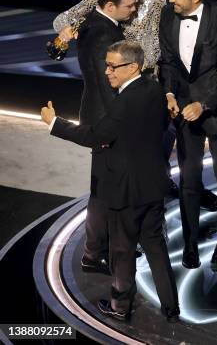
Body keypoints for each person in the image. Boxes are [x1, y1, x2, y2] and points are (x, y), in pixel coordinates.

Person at [41, 41, 179, 322]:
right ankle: (171, 308)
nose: (107, 71)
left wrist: (54, 123)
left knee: (122, 251)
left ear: (133, 67)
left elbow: (95, 136)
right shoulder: (154, 89)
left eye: (113, 66)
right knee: (156, 247)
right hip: (153, 186)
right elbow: (159, 126)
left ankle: (119, 307)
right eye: (107, 64)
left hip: (125, 191)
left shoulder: (125, 101)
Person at [158, 0, 217, 269]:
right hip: (183, 109)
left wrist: (204, 104)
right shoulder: (167, 15)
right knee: (189, 182)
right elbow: (166, 63)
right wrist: (168, 95)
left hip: (215, 110)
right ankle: (190, 244)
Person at [72, 0, 139, 275]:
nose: (134, 9)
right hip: (104, 120)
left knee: (108, 188)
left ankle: (104, 247)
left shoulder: (97, 25)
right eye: (129, 5)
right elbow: (108, 84)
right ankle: (93, 254)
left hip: (99, 116)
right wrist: (121, 124)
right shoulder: (103, 35)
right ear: (110, 5)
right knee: (103, 192)